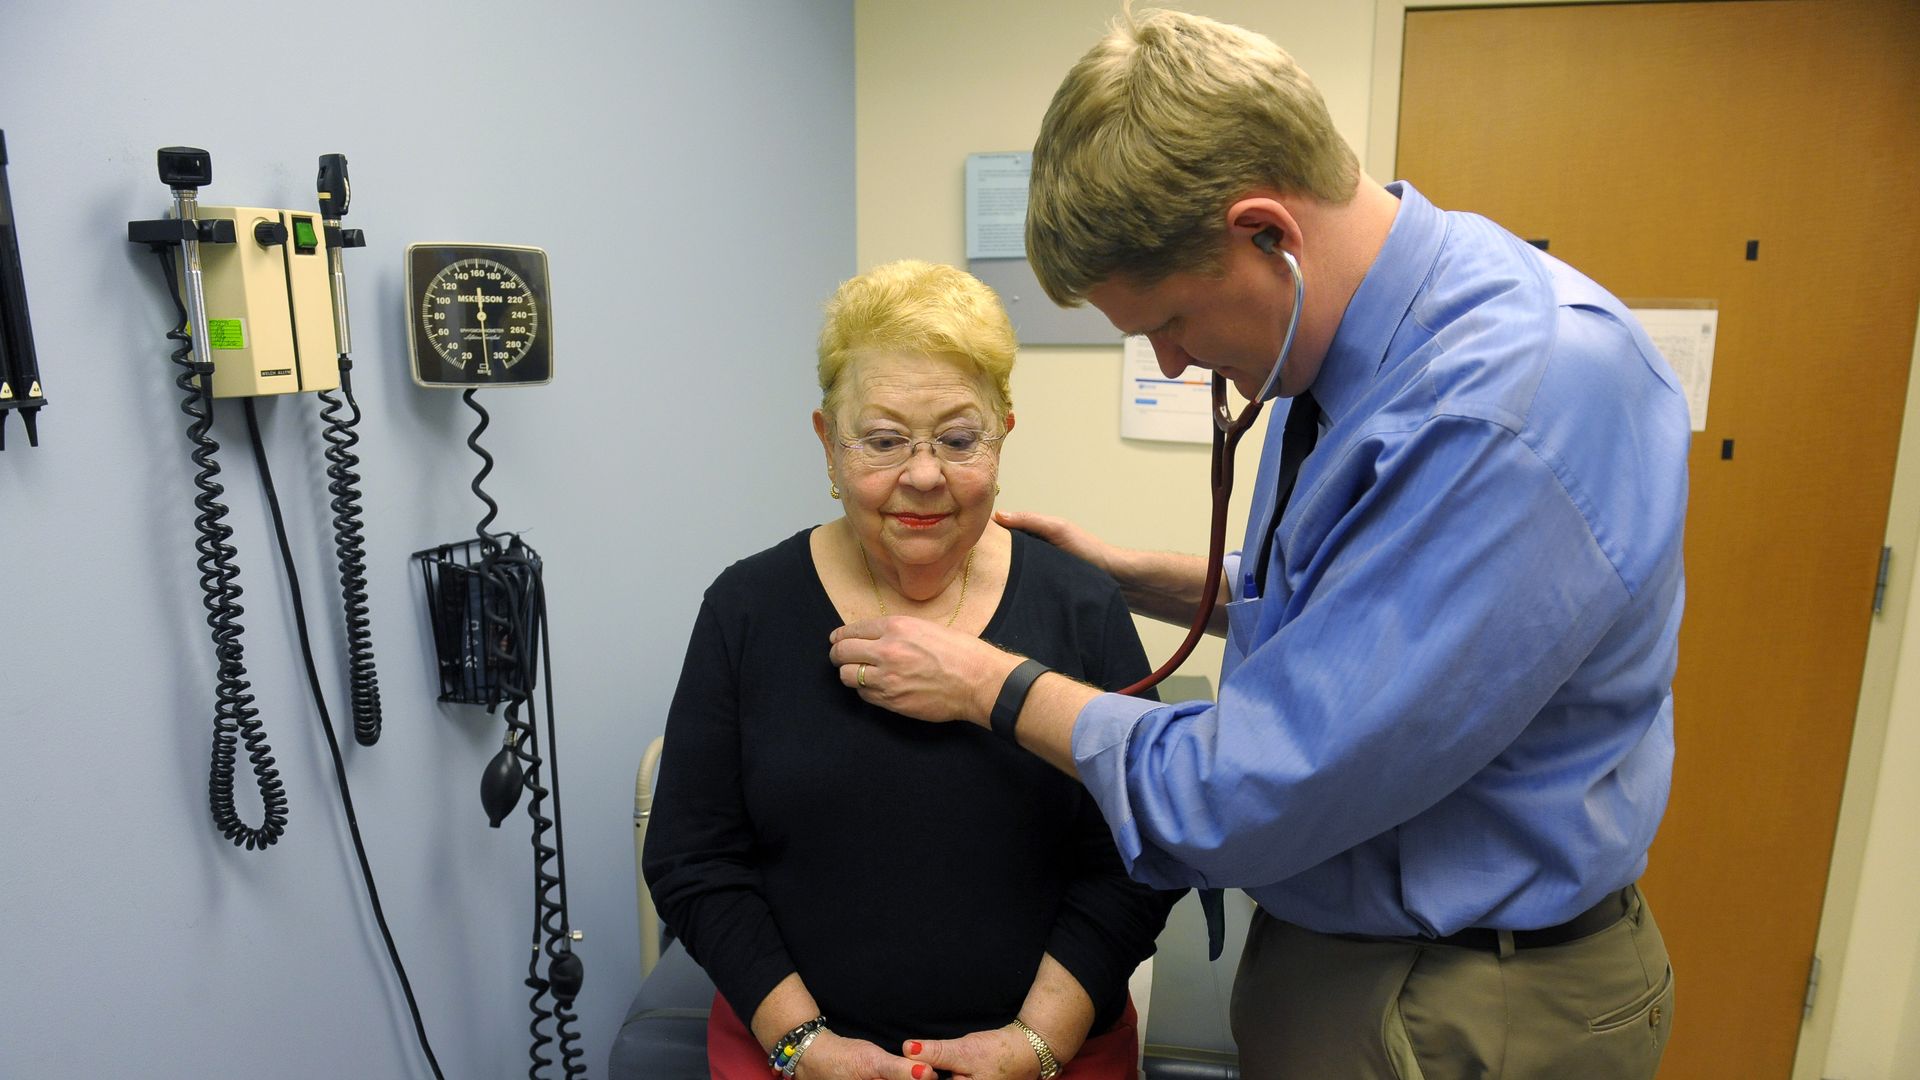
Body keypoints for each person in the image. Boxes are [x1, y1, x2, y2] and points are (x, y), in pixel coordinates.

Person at [826, 10, 1688, 1079]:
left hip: (1463, 1000)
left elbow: (1253, 787)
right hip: (1354, 964)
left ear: (1266, 232)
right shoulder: (1343, 351)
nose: (1176, 364)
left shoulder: (1512, 403)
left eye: (1173, 320)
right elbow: (1361, 602)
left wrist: (991, 686)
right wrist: (1131, 573)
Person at [644, 260, 1177, 1080]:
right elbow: (694, 859)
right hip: (796, 1058)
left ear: (1004, 431)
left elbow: (1135, 855)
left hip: (1053, 1056)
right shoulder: (745, 610)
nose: (923, 475)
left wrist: (1036, 1044)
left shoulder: (1080, 606)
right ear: (827, 440)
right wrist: (803, 1047)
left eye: (959, 440)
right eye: (884, 440)